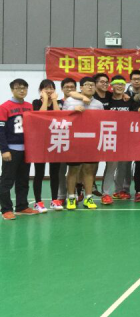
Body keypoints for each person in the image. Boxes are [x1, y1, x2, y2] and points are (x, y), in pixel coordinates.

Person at [62, 77, 104, 210]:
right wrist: (73, 111)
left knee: (89, 169)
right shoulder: (70, 101)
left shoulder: (98, 104)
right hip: (74, 141)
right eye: (87, 85)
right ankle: (71, 197)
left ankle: (88, 197)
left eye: (92, 85)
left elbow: (102, 122)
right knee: (73, 170)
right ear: (81, 87)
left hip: (91, 141)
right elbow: (62, 119)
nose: (90, 87)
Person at [0, 79, 38, 220]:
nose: (22, 90)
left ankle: (22, 207)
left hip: (26, 150)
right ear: (12, 90)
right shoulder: (4, 107)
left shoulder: (29, 107)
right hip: (11, 149)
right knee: (7, 180)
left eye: (24, 88)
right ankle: (6, 209)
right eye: (18, 88)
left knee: (23, 179)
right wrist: (4, 150)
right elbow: (1, 131)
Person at [102, 75, 136, 204]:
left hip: (125, 139)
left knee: (124, 166)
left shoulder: (129, 100)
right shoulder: (107, 99)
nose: (120, 86)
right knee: (111, 167)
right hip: (110, 138)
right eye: (117, 84)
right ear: (112, 86)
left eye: (122, 84)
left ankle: (119, 190)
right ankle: (105, 193)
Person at [31, 79, 63, 212]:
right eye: (46, 88)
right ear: (41, 90)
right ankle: (38, 202)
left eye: (51, 88)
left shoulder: (59, 103)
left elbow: (59, 116)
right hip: (40, 142)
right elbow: (40, 116)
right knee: (39, 173)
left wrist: (54, 100)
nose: (49, 91)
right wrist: (45, 100)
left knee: (54, 173)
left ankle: (54, 200)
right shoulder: (36, 102)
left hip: (55, 140)